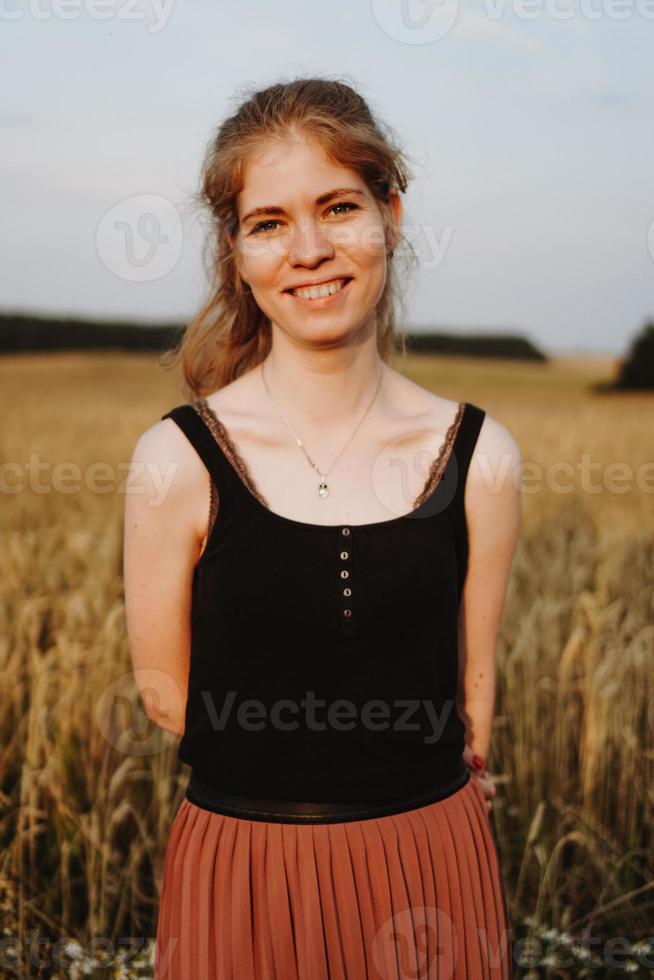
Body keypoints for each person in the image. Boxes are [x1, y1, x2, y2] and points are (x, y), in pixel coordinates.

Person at [124, 76, 522, 980]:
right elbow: (163, 691)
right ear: (236, 248)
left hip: (432, 867)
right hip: (247, 872)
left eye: (338, 207)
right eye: (268, 223)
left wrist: (423, 805)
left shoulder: (480, 454)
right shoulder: (177, 460)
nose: (309, 250)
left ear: (391, 210)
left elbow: (475, 679)